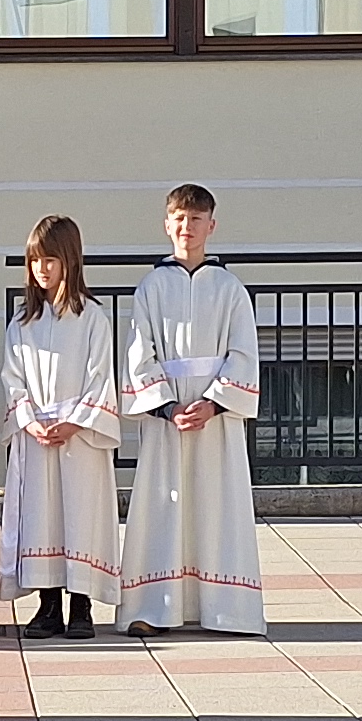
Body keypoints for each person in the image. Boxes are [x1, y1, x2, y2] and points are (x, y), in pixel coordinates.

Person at [117, 185, 265, 637]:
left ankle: (226, 610)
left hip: (215, 422)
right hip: (168, 421)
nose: (188, 227)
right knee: (163, 507)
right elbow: (139, 353)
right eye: (180, 218)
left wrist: (213, 403)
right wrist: (167, 407)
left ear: (211, 226)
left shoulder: (229, 288)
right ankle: (154, 608)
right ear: (167, 224)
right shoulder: (151, 287)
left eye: (197, 219)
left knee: (217, 508)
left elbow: (244, 352)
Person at [1, 213, 121, 640]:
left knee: (80, 516)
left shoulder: (92, 319)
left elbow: (101, 377)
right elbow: (12, 378)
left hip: (79, 438)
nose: (42, 269)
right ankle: (48, 603)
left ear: (71, 260)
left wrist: (75, 422)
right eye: (35, 261)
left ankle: (81, 604)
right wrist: (29, 420)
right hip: (38, 436)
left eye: (50, 259)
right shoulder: (23, 323)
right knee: (42, 517)